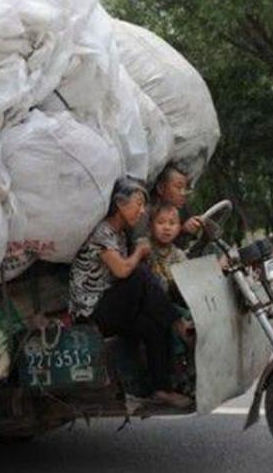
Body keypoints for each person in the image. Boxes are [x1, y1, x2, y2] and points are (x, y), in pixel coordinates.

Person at [68, 177, 193, 409]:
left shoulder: (121, 235)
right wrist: (139, 252)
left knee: (153, 325)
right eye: (138, 203)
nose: (141, 210)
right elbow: (122, 270)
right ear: (119, 203)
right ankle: (179, 325)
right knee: (139, 273)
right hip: (92, 313)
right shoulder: (102, 233)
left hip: (112, 307)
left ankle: (162, 389)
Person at [147, 202, 195, 350]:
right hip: (156, 301)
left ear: (179, 228)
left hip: (175, 297)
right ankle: (178, 356)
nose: (166, 227)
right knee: (177, 316)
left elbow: (188, 276)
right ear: (150, 226)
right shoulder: (146, 248)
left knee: (195, 312)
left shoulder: (178, 254)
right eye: (160, 222)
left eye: (172, 223)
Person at [131, 163, 202, 250]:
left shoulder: (182, 210)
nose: (183, 193)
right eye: (178, 187)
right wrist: (181, 231)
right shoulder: (144, 214)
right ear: (160, 188)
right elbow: (139, 245)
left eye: (185, 189)